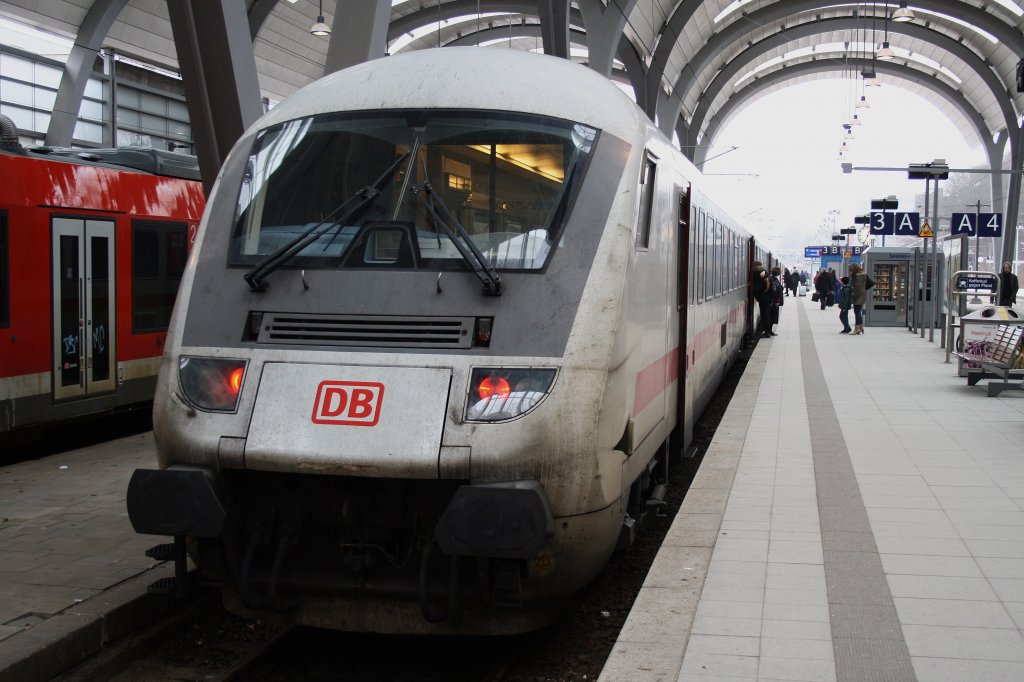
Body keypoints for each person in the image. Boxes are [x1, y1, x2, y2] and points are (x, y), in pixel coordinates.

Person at [752, 261, 772, 338]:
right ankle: (768, 331)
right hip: (767, 298)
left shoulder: (756, 274)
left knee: (764, 315)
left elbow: (758, 288)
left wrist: (753, 291)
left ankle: (767, 333)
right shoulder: (764, 272)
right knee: (766, 315)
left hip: (763, 298)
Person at [849, 262, 868, 335]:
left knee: (857, 312)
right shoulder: (862, 274)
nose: (851, 272)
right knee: (857, 312)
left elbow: (858, 287)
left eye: (851, 270)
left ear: (855, 269)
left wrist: (853, 295)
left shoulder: (858, 276)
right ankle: (860, 326)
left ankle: (857, 329)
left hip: (858, 295)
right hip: (861, 295)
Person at [770, 266, 784, 334]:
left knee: (772, 316)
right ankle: (769, 331)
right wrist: (777, 301)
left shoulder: (773, 279)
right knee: (772, 316)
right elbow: (775, 291)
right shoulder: (774, 280)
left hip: (773, 301)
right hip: (774, 301)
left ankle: (769, 330)